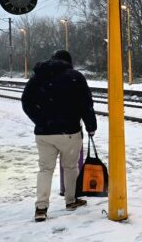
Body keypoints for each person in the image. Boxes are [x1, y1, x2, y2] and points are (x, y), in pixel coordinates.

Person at [21, 50, 97, 222]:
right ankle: (71, 200)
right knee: (70, 167)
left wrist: (40, 120)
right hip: (69, 132)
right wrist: (91, 126)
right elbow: (86, 104)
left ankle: (41, 208)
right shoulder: (75, 77)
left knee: (45, 169)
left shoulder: (38, 76)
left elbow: (26, 101)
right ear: (69, 62)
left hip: (43, 134)